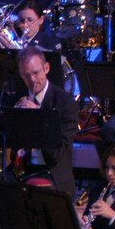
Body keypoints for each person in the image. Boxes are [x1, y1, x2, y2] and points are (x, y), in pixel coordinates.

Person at [12, 46, 79, 193]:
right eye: (26, 76)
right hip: (24, 170)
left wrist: (39, 118)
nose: (33, 80)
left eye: (36, 73)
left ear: (46, 68)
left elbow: (56, 154)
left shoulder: (65, 104)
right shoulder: (16, 99)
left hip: (52, 174)